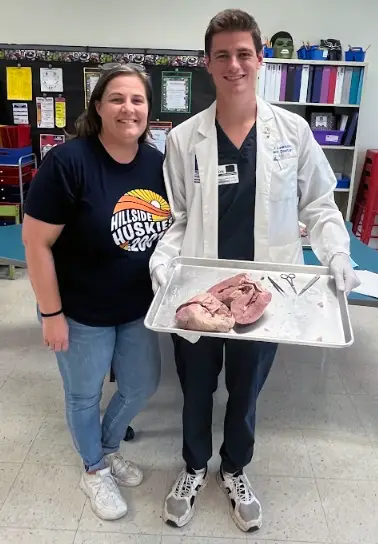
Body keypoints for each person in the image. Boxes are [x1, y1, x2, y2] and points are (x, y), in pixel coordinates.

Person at [150, 8, 360, 534]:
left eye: (244, 53)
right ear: (207, 63)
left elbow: (320, 206)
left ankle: (235, 468)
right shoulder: (183, 139)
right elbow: (177, 217)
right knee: (196, 390)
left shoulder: (293, 130)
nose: (234, 64)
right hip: (200, 293)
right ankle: (195, 466)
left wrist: (337, 253)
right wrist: (163, 261)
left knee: (245, 394)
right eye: (222, 55)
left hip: (267, 293)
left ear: (261, 58)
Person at [22, 64, 172, 521]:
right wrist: (51, 315)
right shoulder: (69, 162)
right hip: (80, 310)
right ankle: (93, 470)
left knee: (142, 383)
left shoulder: (157, 163)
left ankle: (106, 448)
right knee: (84, 395)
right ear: (99, 107)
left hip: (137, 307)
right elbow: (36, 241)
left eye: (138, 100)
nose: (129, 108)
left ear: (149, 109)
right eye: (118, 99)